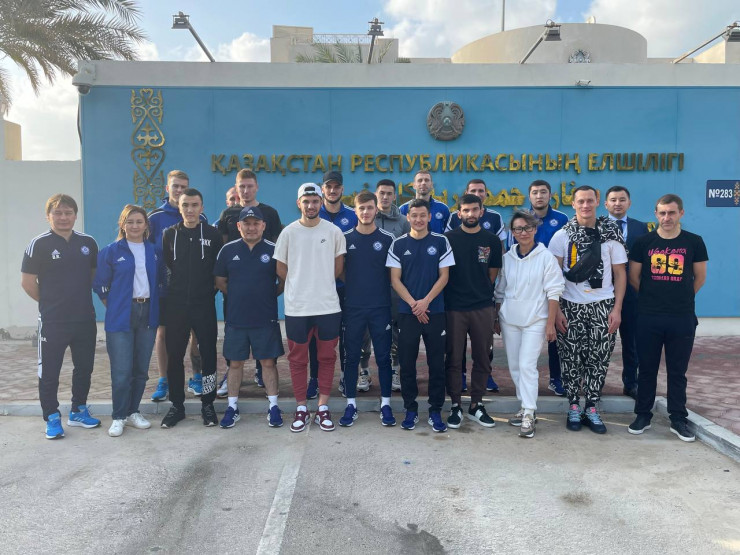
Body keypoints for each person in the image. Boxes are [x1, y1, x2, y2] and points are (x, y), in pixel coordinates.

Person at [627, 194, 708, 442]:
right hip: (648, 317)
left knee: (677, 371)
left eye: (671, 213)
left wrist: (681, 297)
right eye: (662, 213)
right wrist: (652, 298)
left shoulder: (694, 241)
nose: (667, 217)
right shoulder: (644, 242)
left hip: (682, 317)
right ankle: (643, 415)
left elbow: (700, 277)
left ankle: (678, 418)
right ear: (656, 214)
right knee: (646, 369)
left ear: (681, 213)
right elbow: (633, 277)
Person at [21, 194, 100, 439]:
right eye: (58, 213)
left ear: (75, 215)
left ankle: (78, 410)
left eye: (68, 213)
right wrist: (50, 304)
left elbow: (93, 276)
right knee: (49, 372)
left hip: (84, 319)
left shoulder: (88, 243)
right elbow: (27, 282)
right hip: (53, 321)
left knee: (84, 368)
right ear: (48, 216)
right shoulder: (38, 244)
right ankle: (52, 417)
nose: (63, 217)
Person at [549, 185, 627, 434]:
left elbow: (620, 274)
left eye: (589, 201)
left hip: (603, 305)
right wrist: (557, 311)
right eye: (580, 201)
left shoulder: (611, 235)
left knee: (599, 359)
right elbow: (553, 277)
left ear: (597, 203)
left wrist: (617, 309)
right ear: (573, 204)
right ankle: (574, 406)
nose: (585, 205)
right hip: (570, 306)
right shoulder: (561, 236)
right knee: (570, 358)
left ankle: (591, 406)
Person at [273, 183, 346, 432]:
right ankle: (301, 407)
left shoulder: (334, 231)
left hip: (327, 306)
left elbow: (338, 266)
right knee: (297, 359)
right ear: (299, 204)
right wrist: (299, 284)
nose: (311, 205)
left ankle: (323, 406)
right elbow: (281, 267)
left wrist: (320, 284)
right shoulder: (288, 233)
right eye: (306, 201)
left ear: (321, 202)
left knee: (327, 357)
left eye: (315, 201)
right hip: (297, 308)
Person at [93, 205, 164, 437]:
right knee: (122, 370)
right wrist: (116, 306)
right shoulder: (111, 251)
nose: (134, 226)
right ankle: (119, 416)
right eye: (130, 222)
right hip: (121, 315)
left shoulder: (154, 251)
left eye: (139, 221)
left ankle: (133, 411)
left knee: (141, 369)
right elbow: (101, 286)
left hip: (148, 312)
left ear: (146, 225)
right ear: (122, 225)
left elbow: (161, 282)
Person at [387, 199, 455, 433]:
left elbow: (444, 276)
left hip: (435, 312)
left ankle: (435, 410)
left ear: (429, 217)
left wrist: (425, 302)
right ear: (408, 217)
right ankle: (411, 409)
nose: (418, 219)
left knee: (436, 364)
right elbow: (395, 279)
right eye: (414, 215)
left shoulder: (441, 241)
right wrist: (414, 304)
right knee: (407, 364)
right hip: (408, 313)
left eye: (422, 215)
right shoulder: (398, 244)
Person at [494, 210, 564, 438]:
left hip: (536, 320)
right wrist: (497, 316)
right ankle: (524, 406)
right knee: (515, 366)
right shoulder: (507, 258)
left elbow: (554, 291)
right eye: (518, 229)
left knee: (527, 365)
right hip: (510, 320)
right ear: (512, 232)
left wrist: (550, 323)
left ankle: (530, 413)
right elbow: (500, 290)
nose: (523, 232)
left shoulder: (546, 257)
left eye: (527, 228)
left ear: (535, 229)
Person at [214, 206, 285, 428]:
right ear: (239, 226)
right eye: (247, 223)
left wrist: (266, 296)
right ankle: (232, 407)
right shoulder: (227, 250)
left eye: (256, 223)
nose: (251, 227)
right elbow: (220, 281)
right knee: (235, 364)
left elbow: (283, 281)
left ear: (263, 226)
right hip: (236, 319)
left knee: (268, 362)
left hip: (265, 318)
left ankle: (273, 406)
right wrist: (238, 296)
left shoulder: (274, 250)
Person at [160, 188, 224, 428]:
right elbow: (168, 266)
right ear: (179, 207)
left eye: (194, 205)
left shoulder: (213, 234)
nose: (190, 209)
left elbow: (217, 269)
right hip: (176, 306)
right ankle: (177, 405)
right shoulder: (169, 235)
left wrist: (207, 293)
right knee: (174, 356)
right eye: (185, 205)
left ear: (201, 208)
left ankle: (208, 404)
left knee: (208, 354)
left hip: (204, 304)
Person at [148, 170, 207, 402]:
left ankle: (197, 376)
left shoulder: (201, 218)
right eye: (176, 186)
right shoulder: (155, 218)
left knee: (196, 332)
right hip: (165, 288)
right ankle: (164, 380)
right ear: (167, 188)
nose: (179, 190)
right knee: (163, 333)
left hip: (193, 289)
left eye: (183, 186)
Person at [443, 194, 501, 430]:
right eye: (465, 210)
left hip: (482, 307)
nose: (470, 214)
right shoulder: (448, 239)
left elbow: (492, 274)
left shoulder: (491, 240)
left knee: (482, 357)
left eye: (474, 209)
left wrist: (480, 293)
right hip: (454, 308)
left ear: (481, 212)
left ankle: (476, 404)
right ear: (459, 214)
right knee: (454, 358)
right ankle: (455, 405)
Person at [340, 191, 396, 427]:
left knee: (383, 357)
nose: (365, 212)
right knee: (351, 356)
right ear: (355, 211)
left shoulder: (387, 239)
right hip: (353, 308)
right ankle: (351, 405)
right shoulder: (344, 238)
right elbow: (341, 271)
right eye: (361, 208)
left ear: (376, 209)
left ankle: (386, 405)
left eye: (369, 207)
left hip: (380, 308)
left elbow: (393, 275)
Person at [510, 179, 569, 397]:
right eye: (535, 192)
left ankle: (556, 378)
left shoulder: (562, 219)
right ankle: (524, 387)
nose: (539, 196)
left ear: (550, 195)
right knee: (524, 342)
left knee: (555, 332)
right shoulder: (521, 219)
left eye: (543, 192)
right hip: (528, 286)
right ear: (529, 196)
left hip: (553, 282)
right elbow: (512, 251)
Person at [308, 170, 357, 400]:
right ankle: (315, 379)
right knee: (316, 338)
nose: (333, 190)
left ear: (342, 189)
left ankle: (346, 377)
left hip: (345, 287)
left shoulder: (354, 215)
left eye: (337, 186)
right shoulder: (313, 214)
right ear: (322, 189)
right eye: (329, 186)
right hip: (318, 289)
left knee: (347, 336)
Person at [604, 185, 649, 400]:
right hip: (602, 293)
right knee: (599, 344)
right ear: (606, 204)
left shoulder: (641, 228)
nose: (617, 203)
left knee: (632, 342)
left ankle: (631, 383)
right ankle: (595, 384)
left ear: (629, 203)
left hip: (632, 294)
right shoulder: (597, 226)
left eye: (622, 200)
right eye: (613, 200)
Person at [375, 179, 410, 392]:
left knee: (397, 330)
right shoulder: (366, 217)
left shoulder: (404, 222)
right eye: (382, 193)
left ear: (395, 196)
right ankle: (364, 370)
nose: (385, 197)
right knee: (370, 332)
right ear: (376, 194)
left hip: (396, 285)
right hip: (372, 286)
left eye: (389, 193)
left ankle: (396, 369)